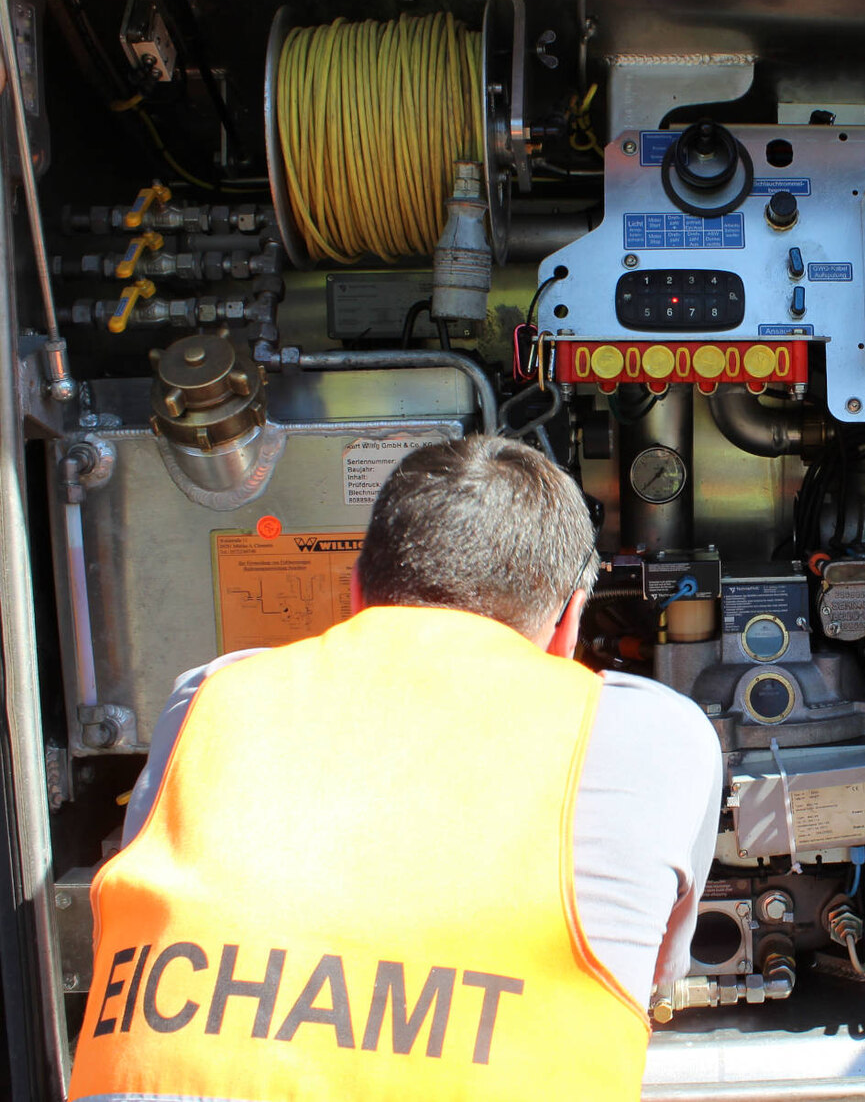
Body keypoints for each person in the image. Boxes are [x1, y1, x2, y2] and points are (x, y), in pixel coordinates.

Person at [69, 435, 722, 1102]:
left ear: (355, 592)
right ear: (567, 625)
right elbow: (656, 979)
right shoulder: (658, 734)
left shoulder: (206, 696)